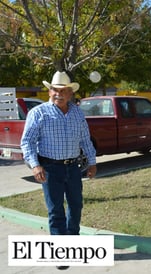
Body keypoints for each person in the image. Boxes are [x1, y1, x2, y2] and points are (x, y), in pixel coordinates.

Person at [20, 71, 97, 240]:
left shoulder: (77, 113)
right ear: (49, 91)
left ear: (70, 93)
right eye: (55, 90)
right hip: (50, 168)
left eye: (63, 91)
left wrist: (92, 163)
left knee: (76, 206)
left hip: (73, 168)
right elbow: (27, 142)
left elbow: (85, 140)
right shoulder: (38, 113)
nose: (58, 94)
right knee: (56, 210)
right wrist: (35, 165)